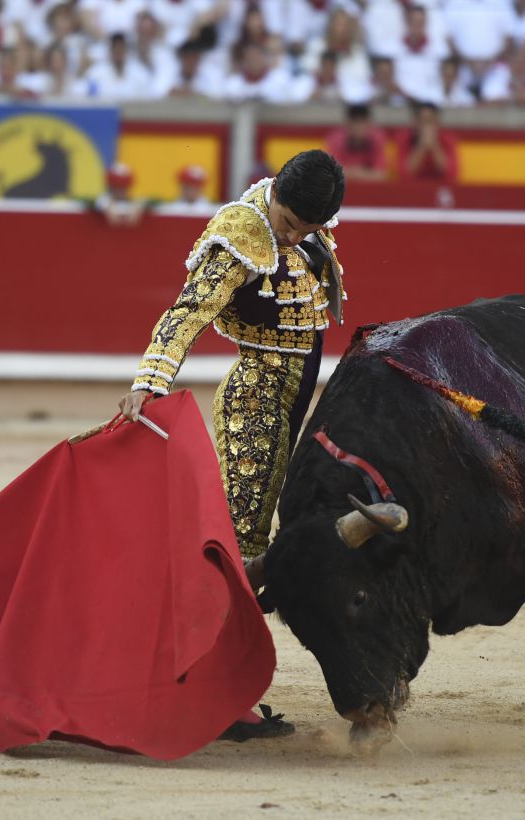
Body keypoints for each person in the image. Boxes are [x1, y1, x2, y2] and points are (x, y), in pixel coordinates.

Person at [119, 152, 346, 742]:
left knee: (257, 539)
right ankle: (214, 697)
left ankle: (218, 685)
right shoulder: (240, 234)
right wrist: (150, 381)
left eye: (306, 229)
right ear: (276, 199)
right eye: (288, 223)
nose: (292, 236)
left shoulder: (303, 216)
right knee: (240, 545)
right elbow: (189, 310)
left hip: (295, 399)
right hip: (256, 398)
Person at [325, 103, 389, 181]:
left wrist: (353, 172)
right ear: (347, 124)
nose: (359, 127)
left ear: (369, 124)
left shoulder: (377, 139)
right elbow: (330, 173)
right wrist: (364, 173)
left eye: (362, 122)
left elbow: (381, 174)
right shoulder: (336, 139)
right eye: (355, 122)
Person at [397, 100, 458, 182]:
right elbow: (404, 173)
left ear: (437, 122)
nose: (426, 126)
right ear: (415, 122)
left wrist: (434, 146)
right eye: (423, 121)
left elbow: (451, 173)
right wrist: (421, 146)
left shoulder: (447, 138)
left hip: (440, 186)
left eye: (430, 121)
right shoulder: (405, 137)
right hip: (413, 187)